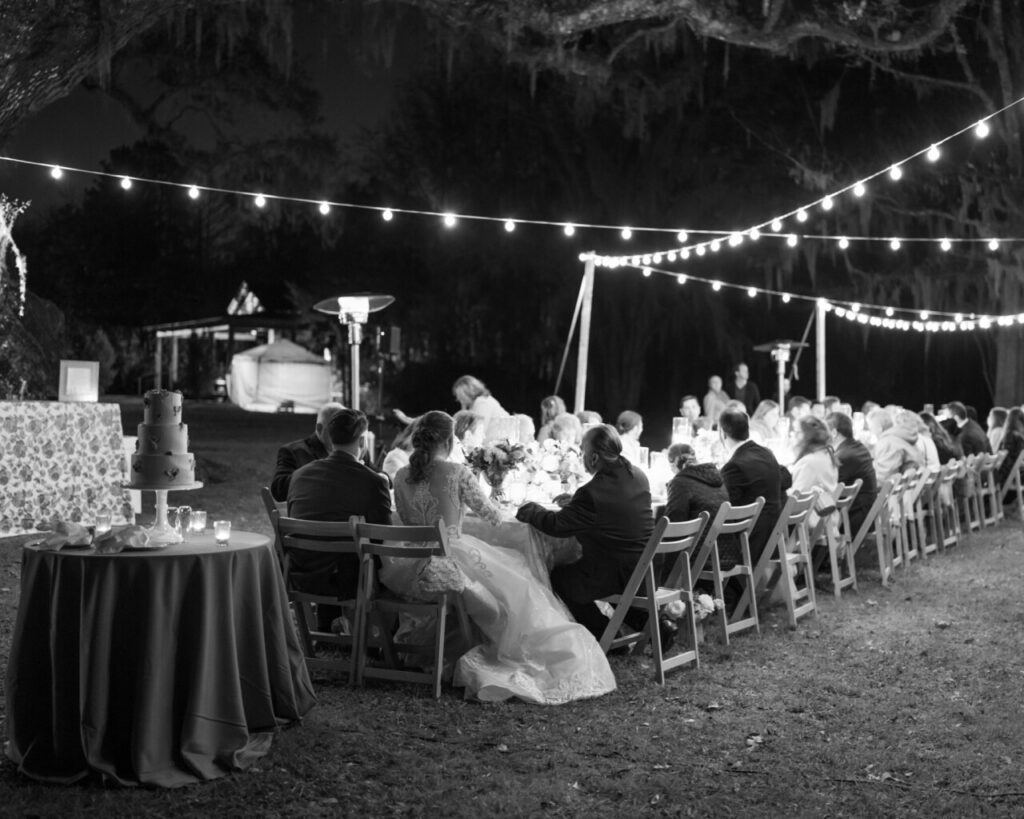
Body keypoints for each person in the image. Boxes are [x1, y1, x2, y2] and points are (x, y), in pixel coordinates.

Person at [383, 411, 616, 704]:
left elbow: (404, 519)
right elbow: (492, 516)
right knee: (518, 578)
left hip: (410, 566)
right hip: (451, 559)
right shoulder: (456, 473)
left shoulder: (402, 475)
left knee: (505, 577)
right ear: (447, 440)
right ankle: (491, 646)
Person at [517, 425, 665, 643]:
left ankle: (607, 636)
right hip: (645, 568)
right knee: (591, 576)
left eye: (583, 452)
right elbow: (611, 506)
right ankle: (659, 629)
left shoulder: (593, 493)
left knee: (559, 576)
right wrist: (576, 501)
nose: (582, 457)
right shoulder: (637, 474)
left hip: (618, 573)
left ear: (594, 458)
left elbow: (557, 525)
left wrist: (531, 508)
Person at [287, 409, 392, 630]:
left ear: (330, 438)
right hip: (348, 580)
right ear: (363, 441)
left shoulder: (299, 475)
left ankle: (333, 628)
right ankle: (381, 638)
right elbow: (383, 540)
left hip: (302, 573)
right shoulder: (373, 482)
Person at [718, 407, 788, 564]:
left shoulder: (734, 465)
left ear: (722, 434)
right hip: (773, 536)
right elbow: (787, 478)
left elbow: (726, 505)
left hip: (750, 543)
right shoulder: (767, 453)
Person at [664, 443, 730, 565]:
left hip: (697, 559)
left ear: (672, 464)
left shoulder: (680, 482)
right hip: (726, 554)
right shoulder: (718, 479)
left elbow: (674, 524)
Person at [270, 401, 344, 501]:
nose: (341, 436)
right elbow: (279, 491)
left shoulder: (357, 450)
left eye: (344, 430)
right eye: (335, 430)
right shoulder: (294, 452)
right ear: (319, 428)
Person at [788, 416, 840, 541]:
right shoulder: (826, 455)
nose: (793, 436)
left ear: (807, 436)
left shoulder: (809, 462)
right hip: (827, 521)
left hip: (811, 524)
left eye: (797, 432)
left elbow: (796, 500)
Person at [826, 411, 877, 537]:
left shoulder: (843, 456)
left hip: (854, 520)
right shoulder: (858, 447)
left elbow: (831, 489)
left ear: (833, 433)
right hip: (866, 514)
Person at [867, 407, 924, 481]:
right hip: (909, 489)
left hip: (894, 490)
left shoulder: (887, 443)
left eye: (871, 428)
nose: (871, 432)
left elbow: (884, 478)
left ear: (879, 428)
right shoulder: (902, 438)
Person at [996, 407, 1024, 504]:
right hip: (1018, 479)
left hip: (1009, 482)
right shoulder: (1020, 437)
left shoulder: (1009, 436)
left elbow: (1006, 462)